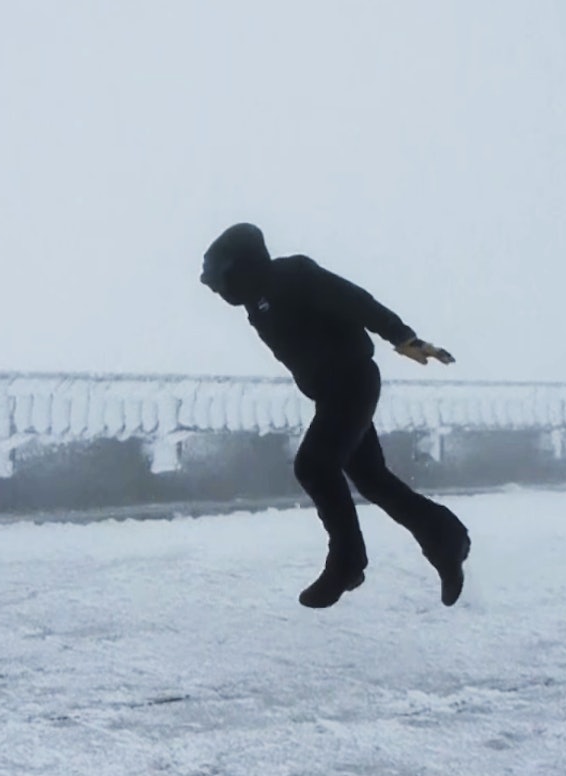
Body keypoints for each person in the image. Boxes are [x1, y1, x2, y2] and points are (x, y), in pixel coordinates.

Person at [199, 222, 470, 609]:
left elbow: (356, 301)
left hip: (353, 380)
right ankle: (445, 539)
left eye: (219, 280)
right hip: (332, 394)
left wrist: (403, 337)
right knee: (373, 480)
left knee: (314, 465)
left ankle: (347, 561)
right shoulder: (256, 303)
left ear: (239, 268)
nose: (217, 291)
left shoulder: (293, 276)